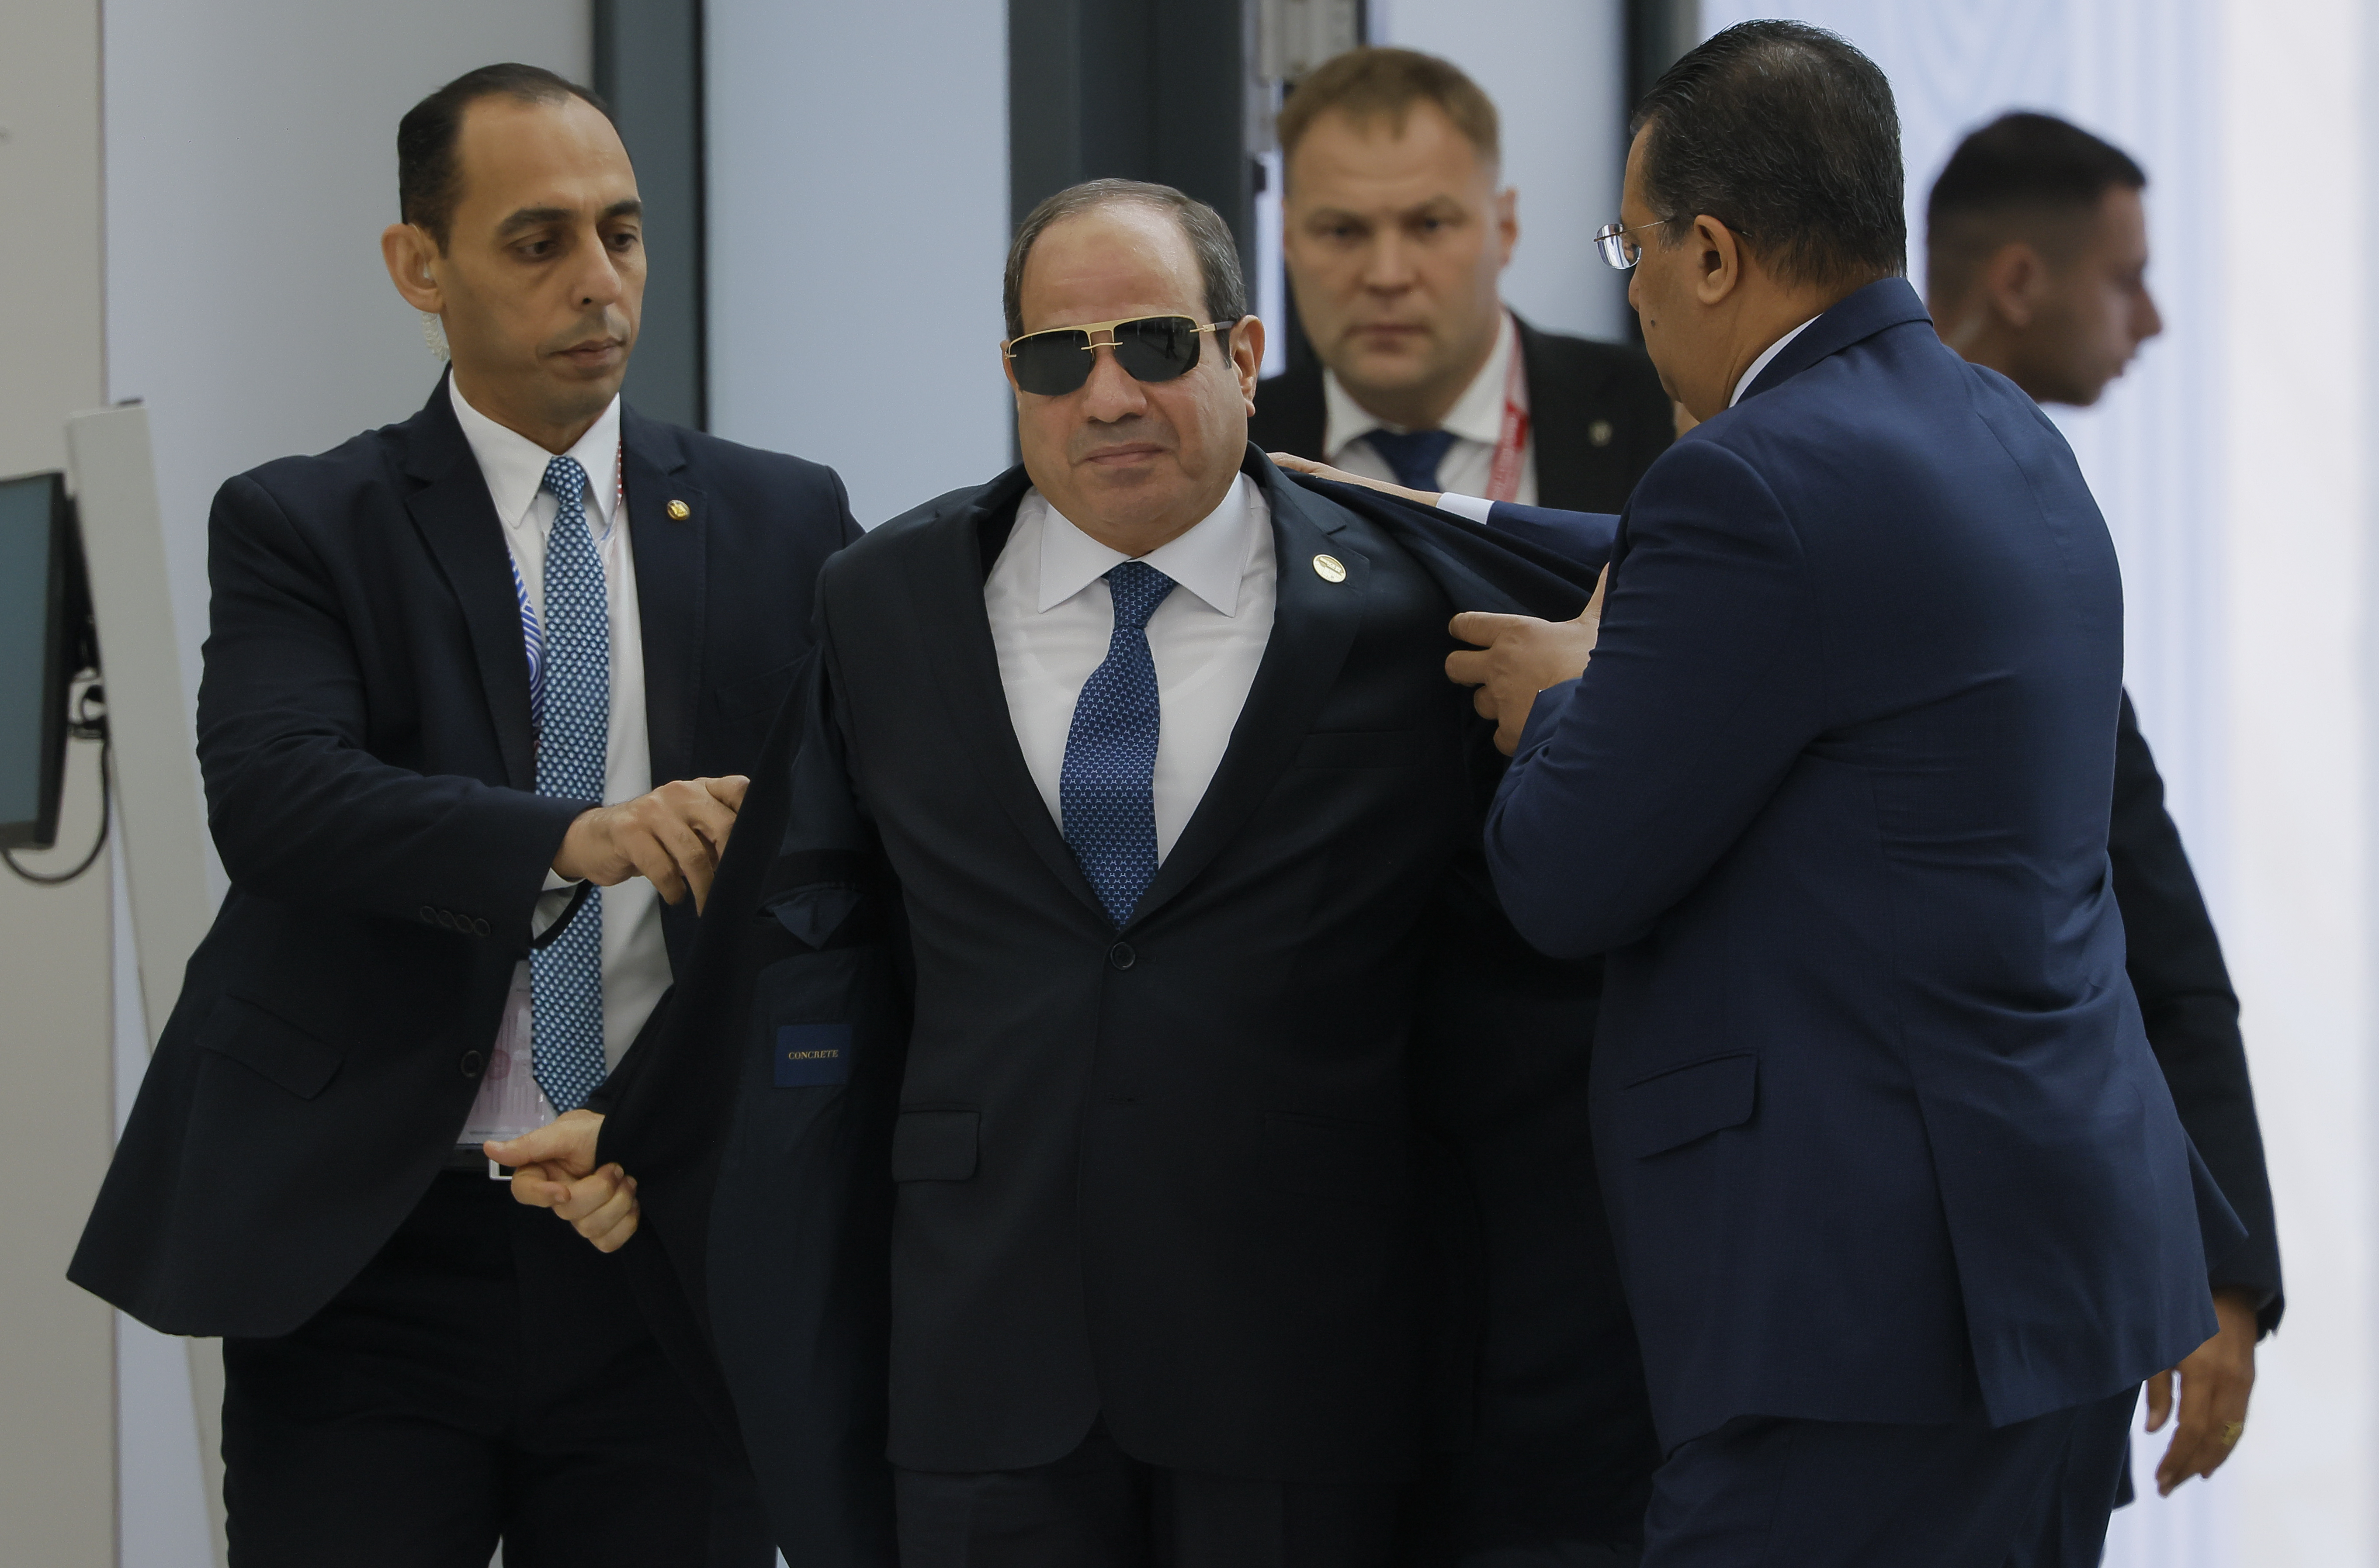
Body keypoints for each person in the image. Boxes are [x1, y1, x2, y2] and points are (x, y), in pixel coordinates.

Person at [578, 178, 1657, 1568]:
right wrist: (647, 1114)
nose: (1105, 397)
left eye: (1152, 344)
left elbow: (1514, 955)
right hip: (982, 1364)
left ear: (1244, 356)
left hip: (1300, 1371)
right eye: (1053, 358)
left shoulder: (1401, 614)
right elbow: (811, 942)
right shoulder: (886, 603)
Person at [1420, 24, 2240, 1565]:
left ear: (1713, 251)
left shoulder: (1739, 482)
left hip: (1856, 1311)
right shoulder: (2008, 432)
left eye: (1633, 244)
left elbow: (1563, 875)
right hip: (2043, 1276)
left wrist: (1564, 700)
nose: (1633, 282)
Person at [67, 63, 857, 1567]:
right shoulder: (309, 520)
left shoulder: (784, 517)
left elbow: (836, 860)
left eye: (622, 234)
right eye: (539, 239)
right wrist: (581, 832)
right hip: (376, 1245)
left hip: (655, 1239)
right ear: (418, 263)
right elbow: (280, 798)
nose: (599, 283)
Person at [1926, 109, 2282, 1502]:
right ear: (2018, 280)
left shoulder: (2029, 514)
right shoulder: (1793, 494)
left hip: (2014, 1302)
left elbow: (2134, 908)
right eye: (2121, 275)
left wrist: (2224, 1259)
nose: (2149, 318)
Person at [1249, 47, 1672, 511]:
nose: (1387, 277)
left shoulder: (1664, 419)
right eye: (1342, 231)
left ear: (1505, 228)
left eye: (1429, 225)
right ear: (1287, 240)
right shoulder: (1232, 452)